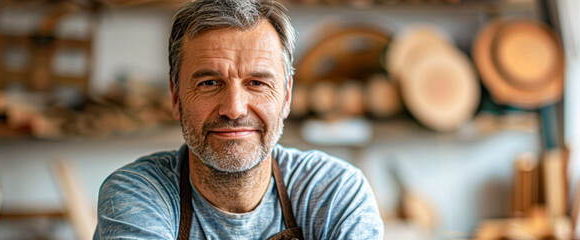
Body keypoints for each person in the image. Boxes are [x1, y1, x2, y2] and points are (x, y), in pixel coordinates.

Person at [94, 0, 384, 239]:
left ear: (286, 97)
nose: (234, 109)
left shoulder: (334, 191)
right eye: (209, 82)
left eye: (257, 83)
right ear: (175, 98)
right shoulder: (137, 193)